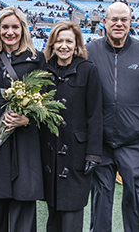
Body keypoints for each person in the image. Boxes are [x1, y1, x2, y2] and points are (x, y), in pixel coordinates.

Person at [86, 2, 139, 232]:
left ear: (131, 22)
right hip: (100, 142)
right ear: (104, 22)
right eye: (114, 19)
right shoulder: (89, 51)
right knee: (101, 200)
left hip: (134, 141)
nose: (119, 24)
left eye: (124, 19)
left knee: (137, 199)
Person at [0, 6, 46, 232]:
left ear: (23, 29)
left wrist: (28, 119)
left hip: (25, 140)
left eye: (15, 27)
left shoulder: (37, 59)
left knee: (23, 204)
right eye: (5, 27)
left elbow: (46, 98)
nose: (10, 32)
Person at [41, 21, 102, 232]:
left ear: (77, 45)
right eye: (59, 41)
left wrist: (93, 154)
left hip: (76, 152)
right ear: (52, 44)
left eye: (69, 41)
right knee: (53, 214)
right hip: (50, 153)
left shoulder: (88, 70)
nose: (64, 46)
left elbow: (95, 115)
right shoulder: (44, 71)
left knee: (72, 215)